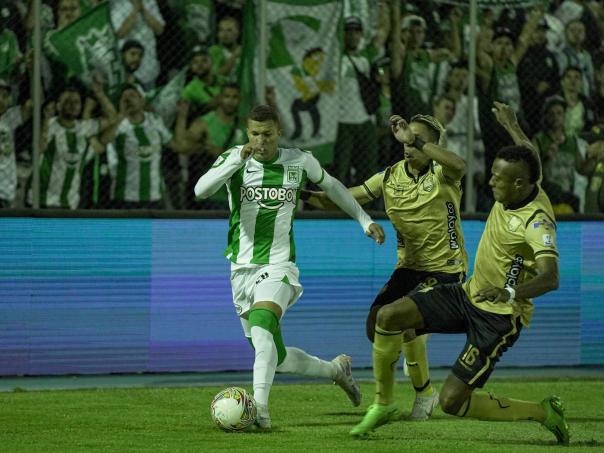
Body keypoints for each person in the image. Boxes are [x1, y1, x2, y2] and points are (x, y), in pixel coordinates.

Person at [349, 102, 569, 447]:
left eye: (498, 178)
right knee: (388, 317)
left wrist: (510, 292)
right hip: (467, 294)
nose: (490, 181)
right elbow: (531, 156)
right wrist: (512, 124)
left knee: (452, 402)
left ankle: (544, 412)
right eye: (492, 172)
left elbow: (551, 277)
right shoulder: (528, 182)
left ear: (519, 183)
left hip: (498, 317)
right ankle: (384, 404)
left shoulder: (536, 223)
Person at [194, 104, 386, 429]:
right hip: (241, 269)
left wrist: (364, 220)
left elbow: (333, 187)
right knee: (276, 358)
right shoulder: (234, 160)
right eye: (255, 134)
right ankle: (336, 370)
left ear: (279, 132)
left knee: (262, 329)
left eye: (267, 134)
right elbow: (200, 191)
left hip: (279, 265)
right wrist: (236, 159)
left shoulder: (299, 161)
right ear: (247, 133)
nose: (261, 141)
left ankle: (259, 411)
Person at [305, 112, 468, 421]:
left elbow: (460, 165)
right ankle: (415, 360)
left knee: (405, 322)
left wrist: (416, 140)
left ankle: (422, 394)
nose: (408, 145)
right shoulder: (389, 177)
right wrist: (298, 193)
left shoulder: (443, 174)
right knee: (376, 326)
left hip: (446, 270)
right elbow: (340, 199)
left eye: (417, 140)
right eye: (406, 139)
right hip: (409, 268)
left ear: (433, 146)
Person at [0, 79, 32, 208]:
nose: (1, 100)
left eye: (4, 96)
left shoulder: (8, 119)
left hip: (5, 192)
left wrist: (32, 72)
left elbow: (34, 103)